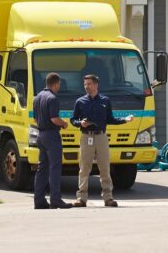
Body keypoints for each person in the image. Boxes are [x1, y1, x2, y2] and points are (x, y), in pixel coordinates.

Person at [70, 74, 135, 207]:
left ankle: (108, 198)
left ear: (96, 85)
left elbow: (110, 119)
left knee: (104, 168)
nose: (86, 87)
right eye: (85, 84)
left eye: (89, 84)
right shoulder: (80, 102)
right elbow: (73, 120)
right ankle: (81, 198)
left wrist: (124, 120)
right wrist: (80, 123)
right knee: (84, 168)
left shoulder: (105, 101)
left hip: (101, 137)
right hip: (86, 137)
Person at [32, 72, 71, 209]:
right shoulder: (53, 98)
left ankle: (39, 200)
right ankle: (55, 199)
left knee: (42, 168)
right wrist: (64, 124)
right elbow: (54, 118)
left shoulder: (37, 97)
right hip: (51, 135)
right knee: (55, 167)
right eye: (59, 84)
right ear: (56, 84)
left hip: (40, 134)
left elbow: (35, 119)